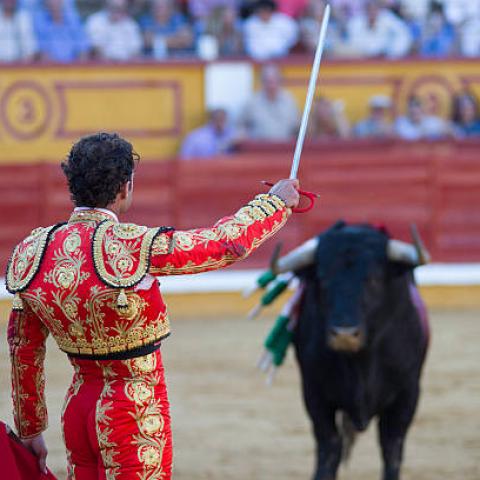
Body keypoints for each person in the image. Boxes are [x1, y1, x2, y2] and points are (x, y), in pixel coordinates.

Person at [6, 132, 300, 479]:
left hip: (78, 408)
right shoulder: (132, 245)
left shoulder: (34, 250)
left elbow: (23, 348)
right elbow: (224, 244)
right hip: (133, 409)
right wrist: (273, 204)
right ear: (124, 188)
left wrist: (30, 429)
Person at [238, 64, 300, 141]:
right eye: (267, 81)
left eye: (273, 81)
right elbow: (240, 126)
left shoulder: (290, 101)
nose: (271, 85)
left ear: (279, 81)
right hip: (259, 149)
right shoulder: (252, 102)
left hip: (286, 149)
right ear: (262, 82)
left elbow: (297, 128)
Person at [345, 0, 412, 58]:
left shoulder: (388, 19)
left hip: (386, 59)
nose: (372, 12)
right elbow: (353, 43)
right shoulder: (356, 22)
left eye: (374, 8)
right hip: (361, 60)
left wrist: (392, 53)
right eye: (369, 9)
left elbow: (403, 35)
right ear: (365, 9)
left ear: (379, 9)